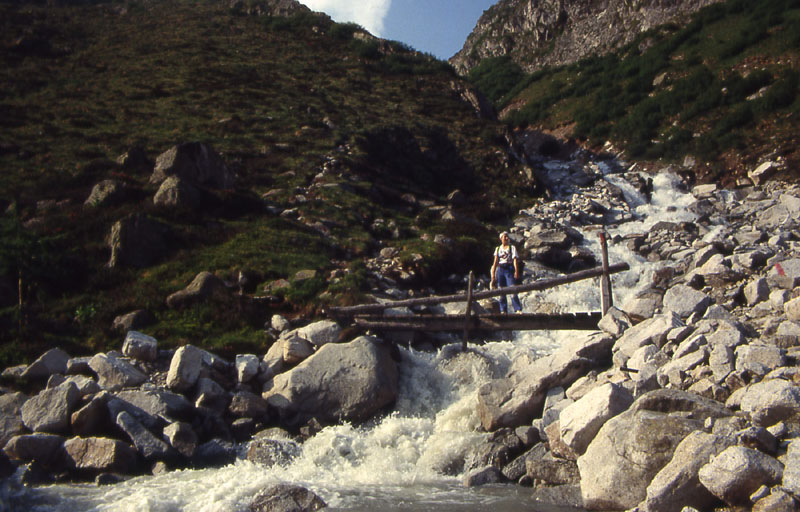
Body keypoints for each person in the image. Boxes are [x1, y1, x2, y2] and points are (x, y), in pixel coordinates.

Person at [490, 231, 523, 314]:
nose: (507, 238)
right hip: (500, 269)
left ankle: (517, 309)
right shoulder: (497, 249)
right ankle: (503, 310)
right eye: (505, 237)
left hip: (509, 268)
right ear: (501, 238)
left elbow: (515, 260)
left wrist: (516, 271)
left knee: (512, 289)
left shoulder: (512, 248)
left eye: (507, 237)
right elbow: (495, 263)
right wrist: (493, 275)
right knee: (501, 290)